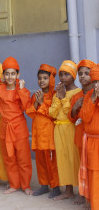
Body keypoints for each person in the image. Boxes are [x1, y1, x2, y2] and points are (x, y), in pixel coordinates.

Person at [0, 56, 33, 195]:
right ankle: (14, 184)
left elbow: (27, 106)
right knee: (9, 158)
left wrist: (21, 89)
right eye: (7, 73)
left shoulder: (22, 90)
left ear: (18, 75)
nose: (10, 77)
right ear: (4, 74)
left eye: (13, 74)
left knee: (23, 158)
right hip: (5, 126)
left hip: (19, 127)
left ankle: (26, 185)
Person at [25, 64, 61, 198]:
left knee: (51, 162)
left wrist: (43, 103)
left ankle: (56, 187)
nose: (42, 81)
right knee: (40, 162)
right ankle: (44, 185)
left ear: (51, 79)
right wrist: (37, 102)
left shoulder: (55, 95)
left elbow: (53, 114)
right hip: (38, 134)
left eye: (45, 78)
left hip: (50, 135)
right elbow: (30, 112)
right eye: (39, 78)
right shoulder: (36, 95)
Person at [49, 60, 81, 200]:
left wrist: (63, 99)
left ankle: (83, 192)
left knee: (75, 159)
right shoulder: (57, 93)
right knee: (63, 160)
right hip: (59, 129)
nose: (62, 77)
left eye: (66, 74)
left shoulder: (78, 92)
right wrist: (59, 97)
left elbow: (71, 114)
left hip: (72, 129)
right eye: (61, 74)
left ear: (73, 76)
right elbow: (52, 113)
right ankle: (68, 191)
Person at [68, 60, 96, 205]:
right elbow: (71, 118)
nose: (83, 76)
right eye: (80, 74)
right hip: (81, 137)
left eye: (87, 73)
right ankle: (84, 194)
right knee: (83, 166)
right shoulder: (76, 96)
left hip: (94, 138)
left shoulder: (94, 94)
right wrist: (74, 108)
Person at [79, 65, 99, 210]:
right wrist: (93, 98)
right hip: (92, 142)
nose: (97, 85)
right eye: (95, 82)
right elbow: (85, 118)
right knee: (94, 174)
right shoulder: (89, 96)